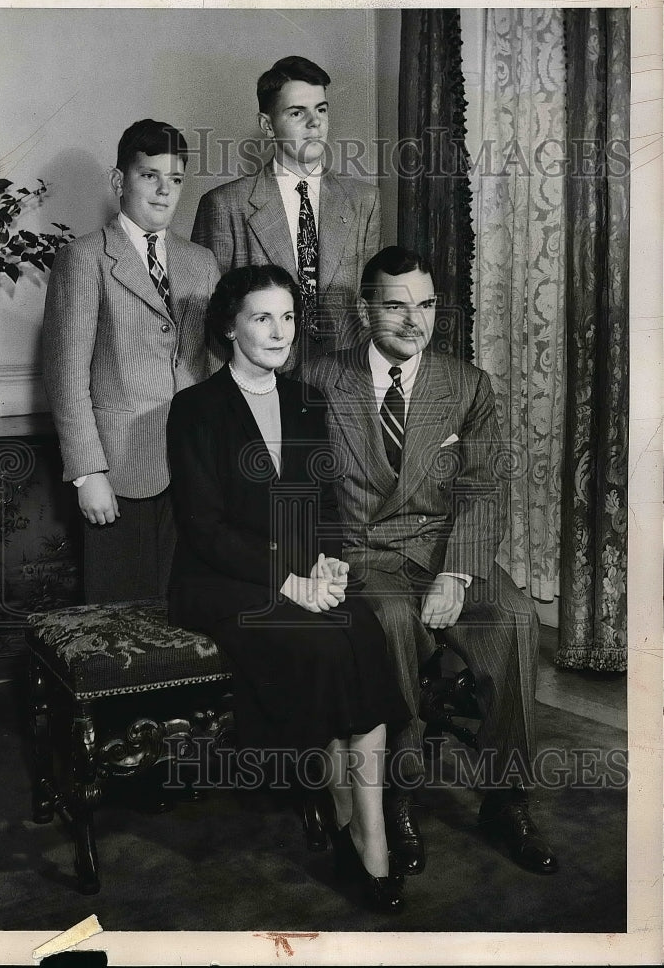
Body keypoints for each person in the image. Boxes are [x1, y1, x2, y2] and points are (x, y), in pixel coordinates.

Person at [303, 246, 559, 878]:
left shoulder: (466, 383)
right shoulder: (318, 379)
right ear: (367, 309)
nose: (413, 319)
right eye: (395, 305)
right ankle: (398, 801)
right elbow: (296, 489)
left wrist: (456, 572)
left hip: (446, 552)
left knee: (517, 620)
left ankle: (507, 799)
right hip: (365, 554)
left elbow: (483, 487)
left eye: (426, 305)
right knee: (390, 626)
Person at [166, 263, 411, 913]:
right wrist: (290, 582)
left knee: (364, 632)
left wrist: (328, 565)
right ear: (229, 326)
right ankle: (343, 821)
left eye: (287, 317)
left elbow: (324, 503)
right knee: (324, 649)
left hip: (302, 573)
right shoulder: (195, 409)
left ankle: (370, 835)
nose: (279, 331)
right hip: (219, 581)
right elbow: (203, 529)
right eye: (261, 317)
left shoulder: (306, 398)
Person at [42, 118, 220, 604]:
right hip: (118, 470)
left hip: (193, 468)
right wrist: (87, 472)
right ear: (120, 181)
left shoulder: (201, 262)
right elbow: (67, 376)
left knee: (188, 614)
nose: (165, 191)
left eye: (176, 179)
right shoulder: (85, 258)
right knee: (121, 620)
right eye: (150, 176)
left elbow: (213, 367)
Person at [191, 56, 380, 371]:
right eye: (297, 113)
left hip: (342, 383)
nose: (314, 123)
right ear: (267, 125)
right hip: (260, 388)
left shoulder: (364, 201)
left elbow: (369, 308)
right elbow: (210, 324)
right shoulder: (225, 205)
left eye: (321, 110)